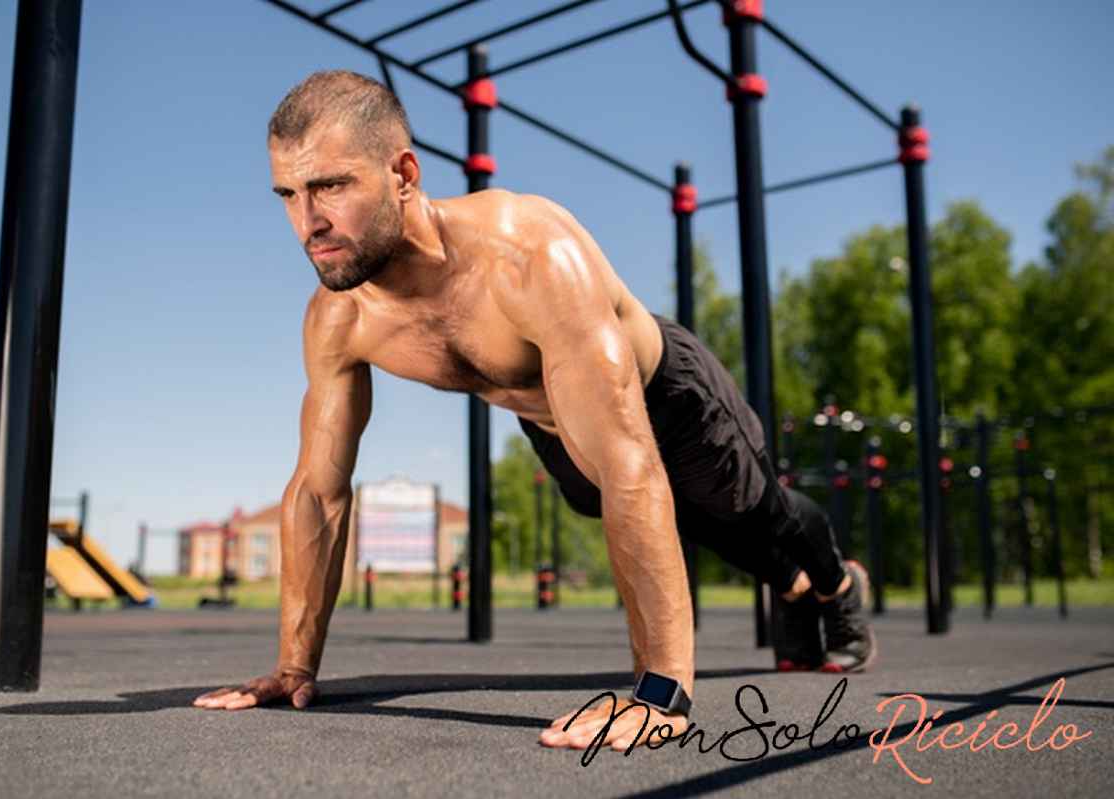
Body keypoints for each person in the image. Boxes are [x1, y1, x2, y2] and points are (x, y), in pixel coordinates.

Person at [192, 70, 876, 752]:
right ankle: (789, 586)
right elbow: (318, 491)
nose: (307, 220)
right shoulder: (339, 320)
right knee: (696, 519)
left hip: (668, 395)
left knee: (752, 508)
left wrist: (660, 694)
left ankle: (836, 583)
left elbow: (631, 462)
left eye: (331, 186)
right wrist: (294, 665)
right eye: (288, 193)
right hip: (556, 425)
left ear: (403, 173)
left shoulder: (529, 256)